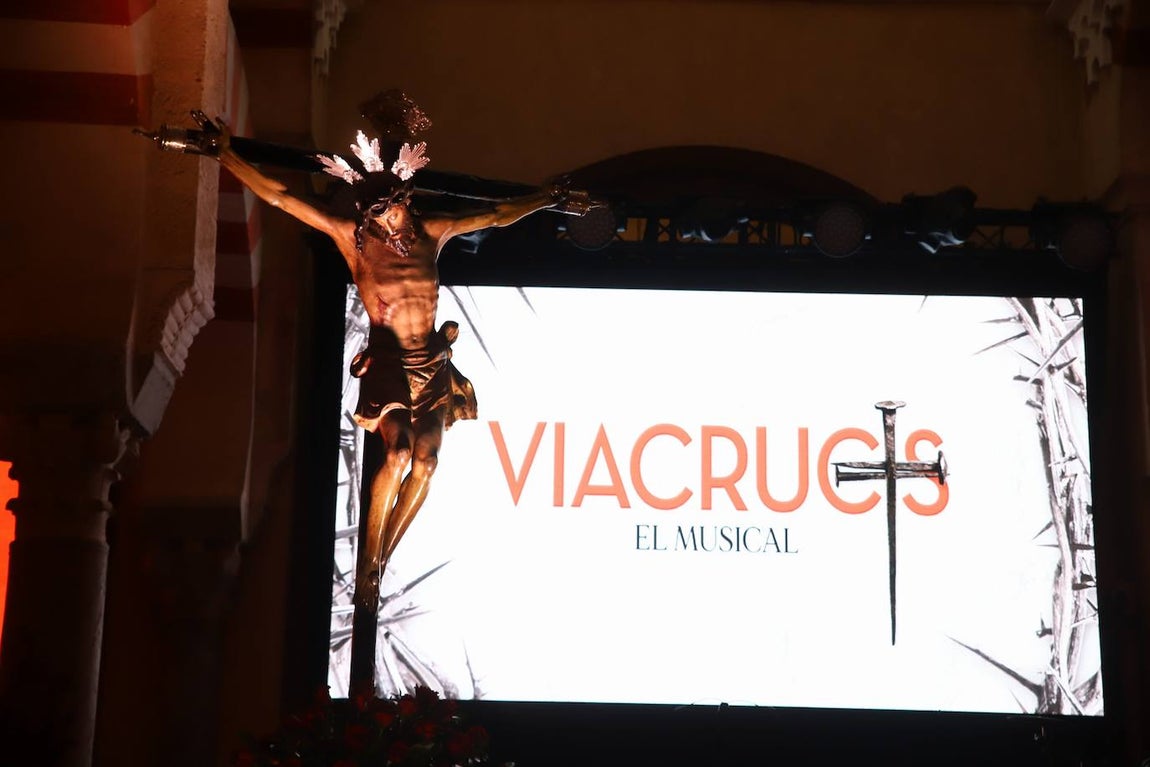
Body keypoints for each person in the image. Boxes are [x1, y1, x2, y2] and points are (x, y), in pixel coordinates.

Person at [145, 108, 592, 625]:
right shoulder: (352, 240)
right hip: (388, 368)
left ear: (404, 200)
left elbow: (493, 215)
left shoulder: (433, 232)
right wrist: (226, 154)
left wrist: (546, 198)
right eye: (380, 211)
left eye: (395, 207)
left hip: (432, 366)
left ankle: (378, 562)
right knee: (399, 452)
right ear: (369, 211)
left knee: (427, 463)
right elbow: (281, 197)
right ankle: (367, 569)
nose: (390, 218)